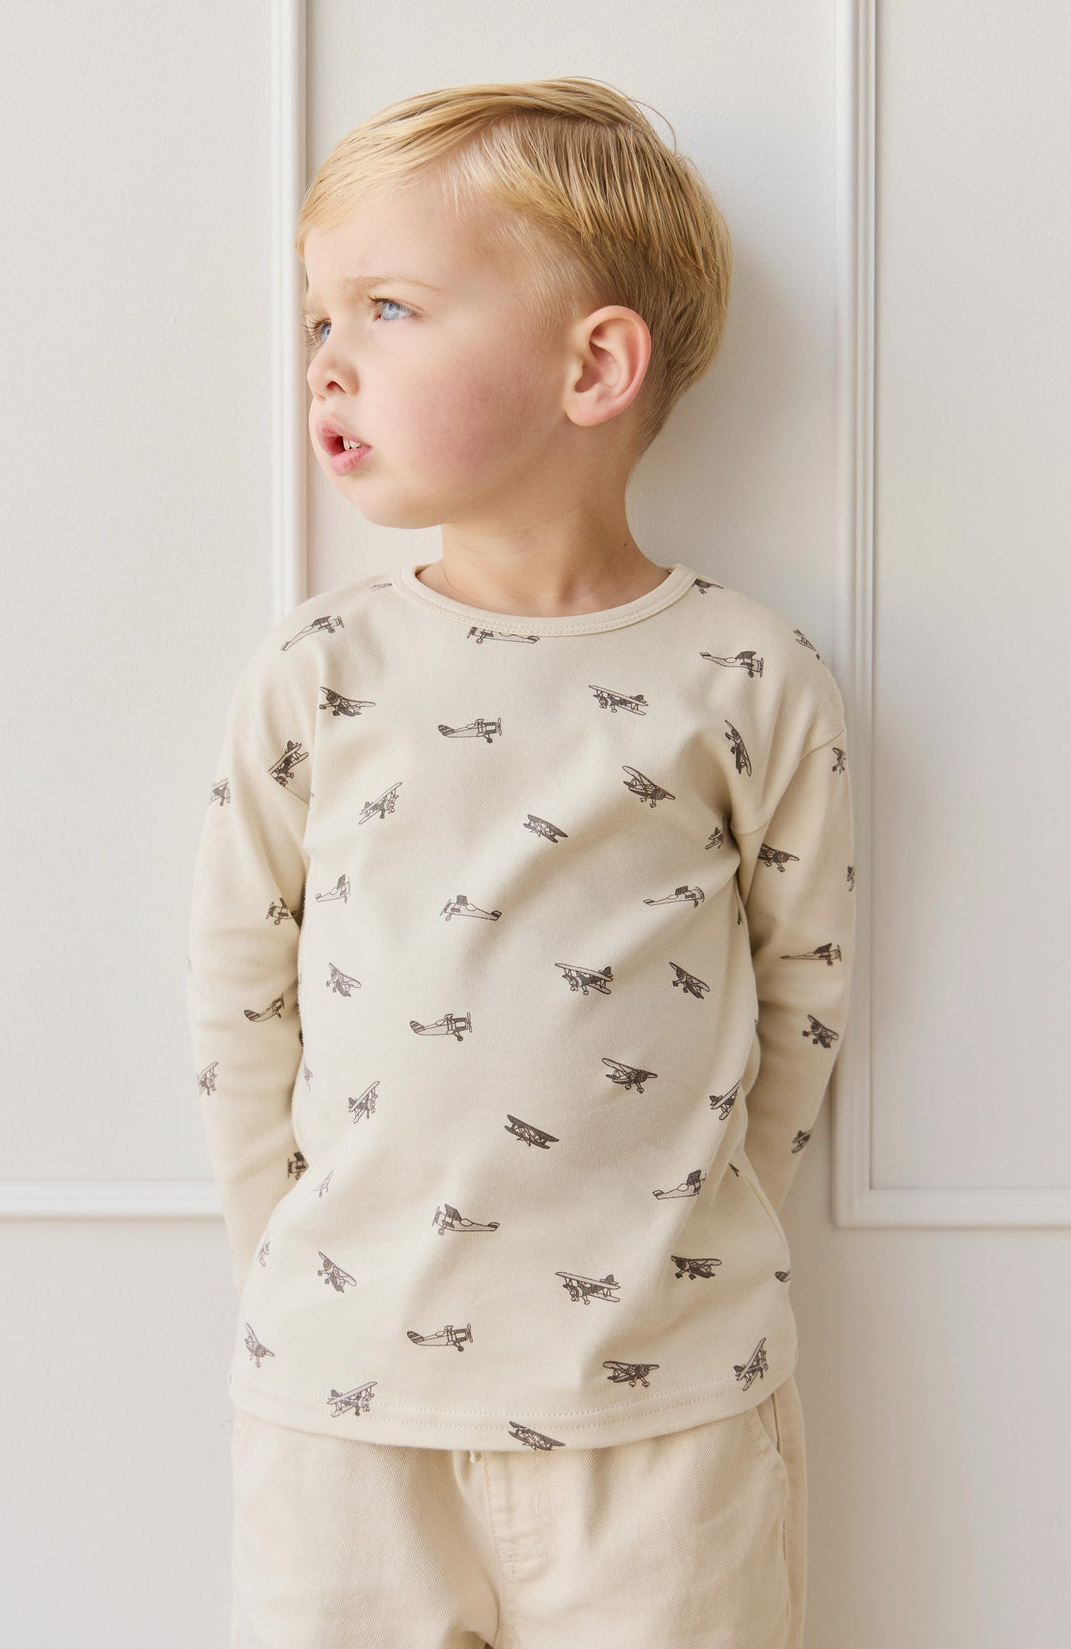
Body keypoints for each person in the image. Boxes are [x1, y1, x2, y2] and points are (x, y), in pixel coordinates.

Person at [186, 75, 856, 1649]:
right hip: (344, 1412)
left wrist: (683, 1253)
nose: (325, 358)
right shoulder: (319, 672)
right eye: (317, 317)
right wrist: (293, 1269)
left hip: (667, 1424)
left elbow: (802, 1000)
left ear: (594, 365)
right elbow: (238, 991)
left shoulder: (746, 677)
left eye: (388, 307)